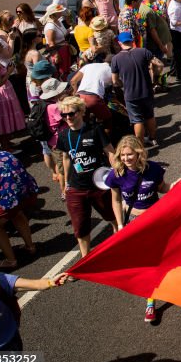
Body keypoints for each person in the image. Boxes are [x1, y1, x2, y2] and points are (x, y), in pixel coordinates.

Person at [104, 135, 170, 323]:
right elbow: (116, 200)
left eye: (129, 154)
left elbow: (162, 187)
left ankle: (156, 296)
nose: (126, 158)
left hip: (156, 219)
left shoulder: (153, 169)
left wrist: (176, 185)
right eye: (123, 155)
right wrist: (120, 224)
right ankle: (151, 298)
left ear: (139, 153)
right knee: (146, 262)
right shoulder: (116, 174)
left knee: (157, 259)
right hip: (134, 222)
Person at [56, 96, 115, 257]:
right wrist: (65, 183)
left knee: (113, 217)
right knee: (80, 227)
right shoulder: (63, 135)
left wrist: (117, 173)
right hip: (76, 188)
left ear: (81, 112)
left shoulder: (95, 129)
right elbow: (66, 158)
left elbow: (110, 152)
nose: (67, 118)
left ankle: (119, 245)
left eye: (71, 113)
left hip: (99, 185)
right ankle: (85, 258)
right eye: (64, 115)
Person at [110, 32, 159, 148]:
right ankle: (153, 139)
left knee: (137, 120)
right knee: (150, 116)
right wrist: (155, 77)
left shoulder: (115, 59)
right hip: (146, 91)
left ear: (120, 43)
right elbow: (159, 64)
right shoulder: (143, 51)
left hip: (130, 94)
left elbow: (114, 81)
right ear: (132, 40)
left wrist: (123, 84)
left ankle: (140, 145)